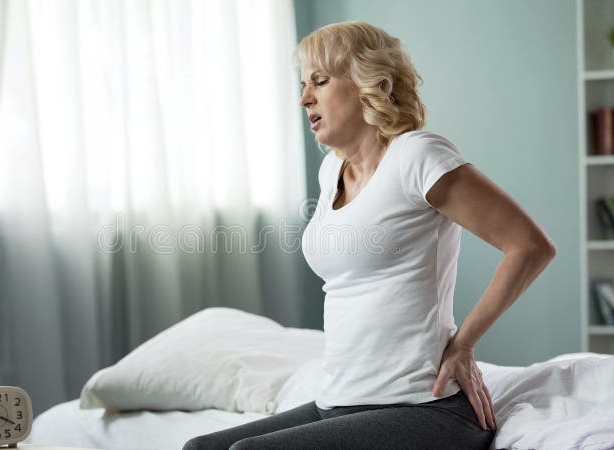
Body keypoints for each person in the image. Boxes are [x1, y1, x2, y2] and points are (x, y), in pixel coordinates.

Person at [183, 21, 555, 450]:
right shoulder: (330, 172)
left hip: (423, 408)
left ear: (369, 82)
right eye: (304, 85)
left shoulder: (417, 155)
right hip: (339, 401)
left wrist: (464, 344)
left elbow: (530, 245)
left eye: (320, 82)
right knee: (201, 449)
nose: (305, 98)